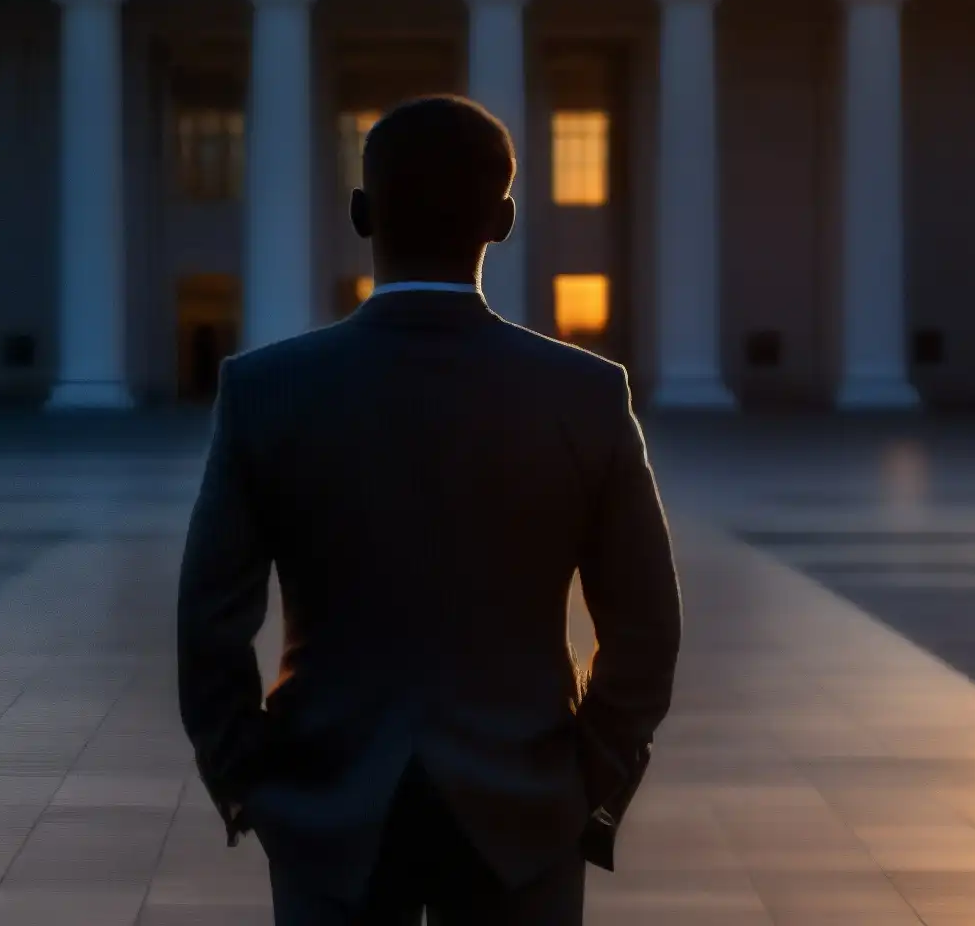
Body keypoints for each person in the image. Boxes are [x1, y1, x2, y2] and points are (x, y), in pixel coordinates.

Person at [177, 94, 682, 925]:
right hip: (526, 807)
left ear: (361, 213)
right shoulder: (586, 395)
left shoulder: (266, 392)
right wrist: (588, 782)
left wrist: (250, 786)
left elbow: (210, 622)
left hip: (324, 802)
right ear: (505, 219)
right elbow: (647, 627)